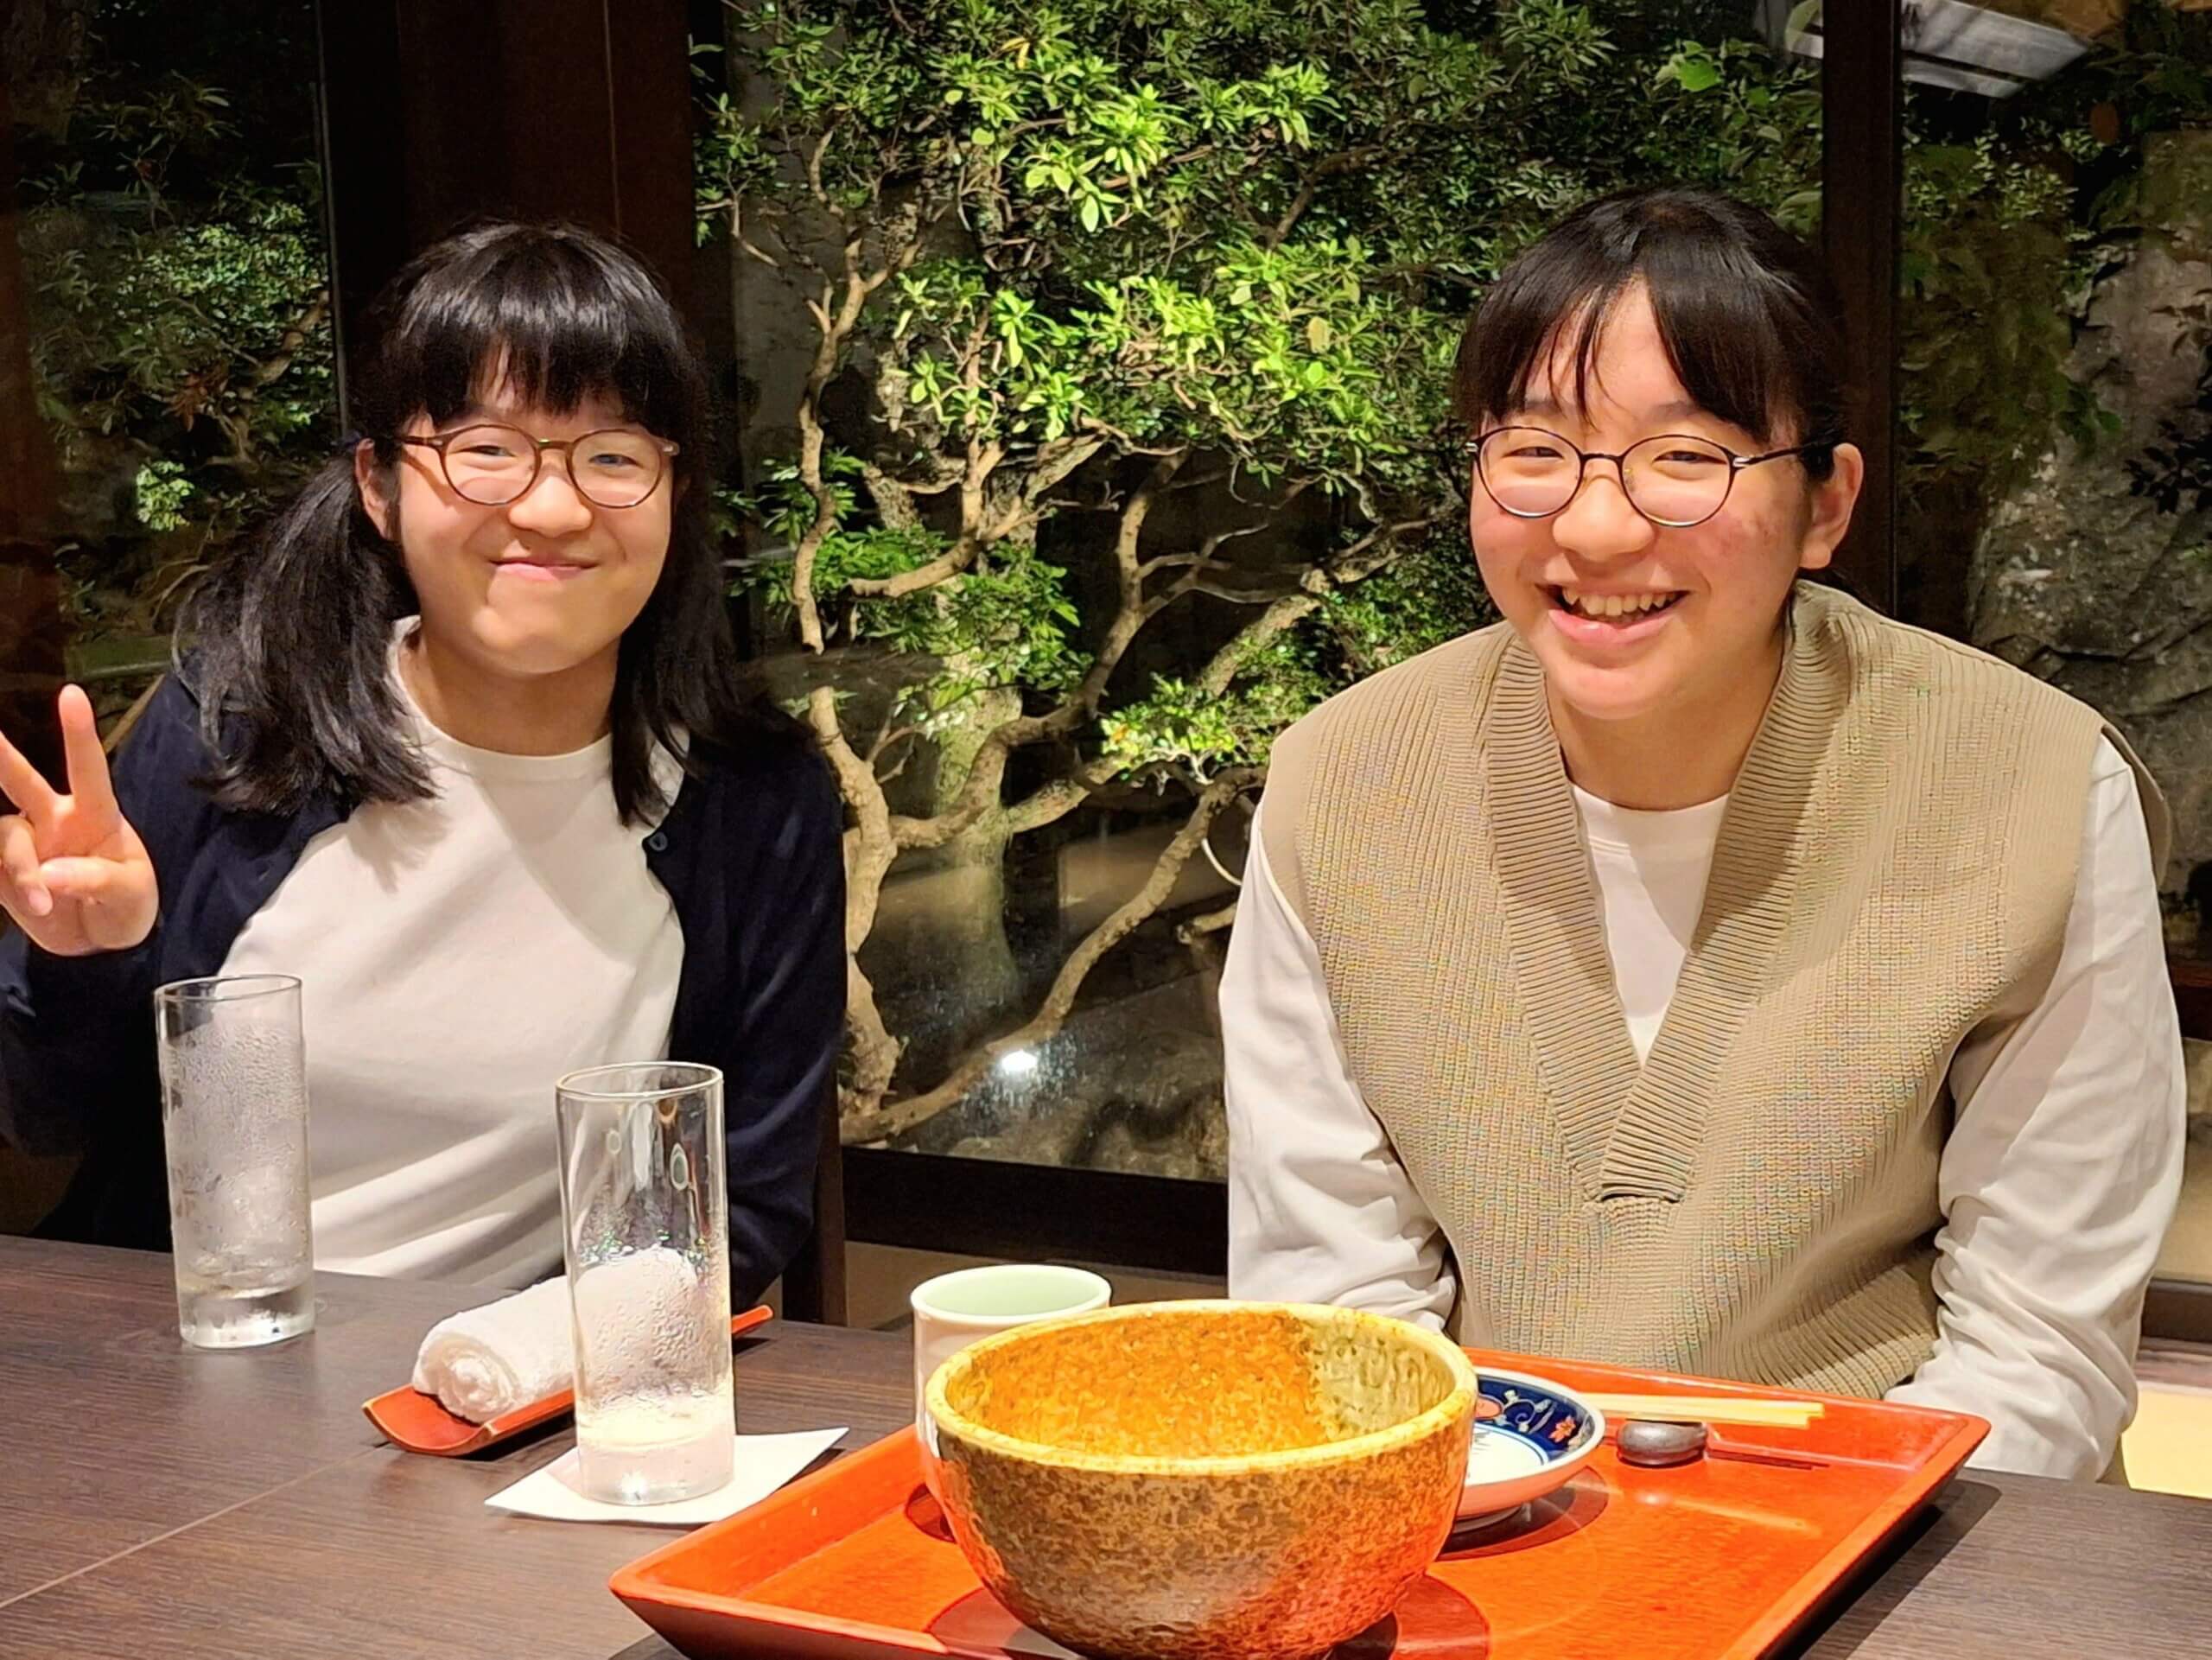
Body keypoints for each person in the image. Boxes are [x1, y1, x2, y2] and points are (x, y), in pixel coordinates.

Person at [1223, 187, 2184, 1480]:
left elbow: (2039, 1349)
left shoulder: (2031, 785)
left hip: (1910, 1524)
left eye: (1685, 458)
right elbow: (1330, 1305)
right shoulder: (1344, 781)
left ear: (1826, 505)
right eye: (1534, 449)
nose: (1596, 526)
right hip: (1476, 1513)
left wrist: (1787, 1558)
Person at [0, 221, 845, 1301]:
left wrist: (495, 1372)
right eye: (485, 450)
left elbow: (743, 1211)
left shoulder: (755, 804)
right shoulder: (245, 730)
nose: (551, 508)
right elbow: (44, 1117)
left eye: (613, 456)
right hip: (199, 1359)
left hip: (522, 1383)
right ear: (379, 484)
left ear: (673, 497)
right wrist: (84, 958)